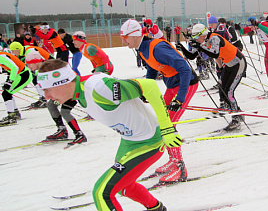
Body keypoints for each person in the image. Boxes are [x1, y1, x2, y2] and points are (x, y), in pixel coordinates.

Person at [37, 59, 180, 211]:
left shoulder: (99, 88)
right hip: (129, 141)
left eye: (48, 89)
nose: (46, 96)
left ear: (63, 83)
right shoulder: (80, 91)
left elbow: (149, 86)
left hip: (149, 142)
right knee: (124, 187)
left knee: (102, 192)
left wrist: (167, 128)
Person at [120, 19, 198, 183]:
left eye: (125, 36)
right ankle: (173, 160)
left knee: (168, 125)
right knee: (162, 121)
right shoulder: (142, 48)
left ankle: (180, 168)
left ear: (134, 35)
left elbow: (184, 68)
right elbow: (152, 67)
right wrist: (145, 90)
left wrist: (180, 99)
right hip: (172, 85)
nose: (123, 40)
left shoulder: (157, 48)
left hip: (185, 84)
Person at [178, 23, 247, 131]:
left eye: (196, 37)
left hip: (238, 63)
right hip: (229, 65)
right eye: (194, 37)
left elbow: (215, 53)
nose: (196, 39)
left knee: (229, 92)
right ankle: (237, 112)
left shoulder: (213, 37)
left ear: (202, 34)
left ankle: (236, 117)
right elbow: (192, 56)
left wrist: (199, 46)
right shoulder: (203, 41)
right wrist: (182, 48)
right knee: (222, 89)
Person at [25, 49, 87, 146]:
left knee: (64, 111)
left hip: (71, 91)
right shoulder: (42, 71)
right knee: (51, 105)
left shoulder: (49, 68)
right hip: (65, 92)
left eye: (29, 64)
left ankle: (79, 134)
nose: (28, 67)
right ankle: (62, 129)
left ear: (36, 61)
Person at [238, 17, 268, 96]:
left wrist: (258, 25)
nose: (252, 28)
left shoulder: (263, 24)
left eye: (252, 26)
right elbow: (243, 31)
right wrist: (238, 28)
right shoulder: (254, 27)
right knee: (267, 67)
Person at [9, 41, 53, 108]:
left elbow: (40, 60)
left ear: (17, 49)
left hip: (49, 62)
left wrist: (38, 72)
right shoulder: (23, 52)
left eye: (13, 51)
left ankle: (44, 98)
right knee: (35, 80)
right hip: (43, 64)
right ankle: (43, 97)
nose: (13, 53)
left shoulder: (29, 51)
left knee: (37, 80)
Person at [0, 51, 33, 125]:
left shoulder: (1, 57)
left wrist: (10, 81)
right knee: (7, 93)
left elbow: (14, 67)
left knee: (6, 93)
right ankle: (15, 113)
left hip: (23, 75)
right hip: (19, 75)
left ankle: (11, 116)